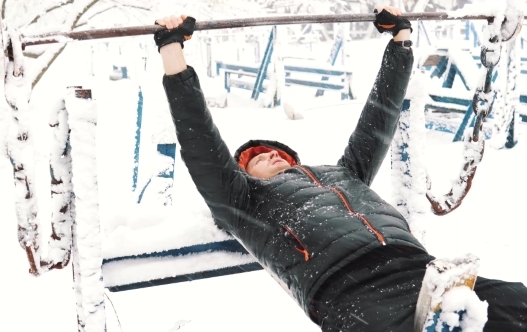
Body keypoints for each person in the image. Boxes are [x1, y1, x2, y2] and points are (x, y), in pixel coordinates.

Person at [154, 6, 527, 332]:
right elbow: (200, 141)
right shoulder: (244, 203)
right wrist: (172, 49)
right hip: (353, 295)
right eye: (257, 157)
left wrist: (401, 41)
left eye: (277, 152)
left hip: (423, 270)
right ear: (244, 175)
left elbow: (378, 119)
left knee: (515, 302)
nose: (271, 155)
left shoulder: (345, 174)